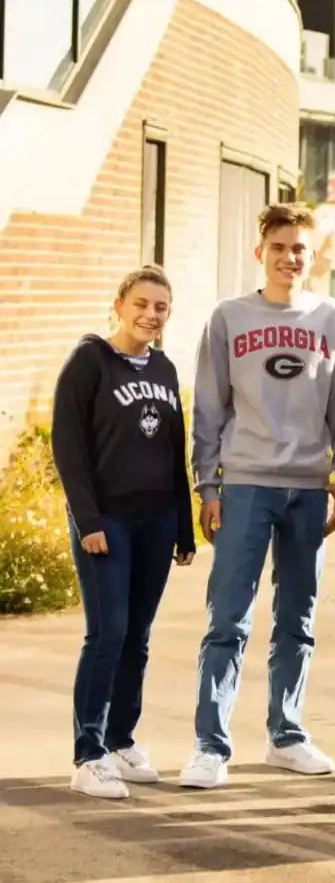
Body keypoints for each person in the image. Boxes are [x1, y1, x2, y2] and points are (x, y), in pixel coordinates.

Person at [182, 204, 335, 788]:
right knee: (228, 619)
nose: (290, 258)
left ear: (312, 257)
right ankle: (210, 746)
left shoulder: (333, 318)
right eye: (279, 247)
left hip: (309, 490)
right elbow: (208, 408)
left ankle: (285, 734)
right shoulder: (229, 317)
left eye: (300, 249)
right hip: (245, 486)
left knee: (297, 619)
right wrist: (207, 485)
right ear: (260, 252)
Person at [51, 266, 196, 799]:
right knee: (106, 633)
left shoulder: (164, 368)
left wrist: (183, 527)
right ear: (118, 304)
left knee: (137, 636)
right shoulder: (89, 360)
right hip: (106, 519)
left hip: (156, 520)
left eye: (160, 307)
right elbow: (67, 446)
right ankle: (87, 755)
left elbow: (172, 453)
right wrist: (87, 521)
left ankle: (120, 738)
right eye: (140, 303)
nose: (149, 314)